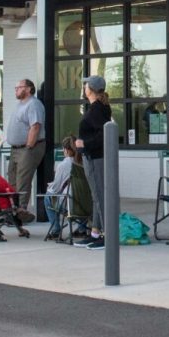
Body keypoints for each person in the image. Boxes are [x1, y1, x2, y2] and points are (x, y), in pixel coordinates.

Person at [70, 76, 113, 250]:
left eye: (86, 84)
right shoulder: (100, 107)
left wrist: (84, 143)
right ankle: (95, 232)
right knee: (97, 196)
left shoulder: (96, 109)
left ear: (91, 89)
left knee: (100, 196)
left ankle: (106, 235)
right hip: (92, 157)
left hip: (95, 158)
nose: (84, 87)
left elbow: (104, 134)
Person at [2, 79, 46, 221]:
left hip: (27, 148)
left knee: (23, 180)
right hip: (15, 149)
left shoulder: (34, 104)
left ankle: (22, 212)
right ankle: (13, 211)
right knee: (12, 178)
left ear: (28, 89)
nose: (16, 90)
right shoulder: (20, 104)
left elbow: (35, 126)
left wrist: (28, 146)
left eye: (18, 87)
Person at [45, 142, 80, 241]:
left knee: (48, 196)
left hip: (70, 205)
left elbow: (56, 188)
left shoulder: (64, 164)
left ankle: (56, 229)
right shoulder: (85, 162)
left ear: (67, 150)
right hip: (85, 206)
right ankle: (82, 228)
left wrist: (50, 187)